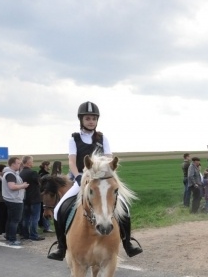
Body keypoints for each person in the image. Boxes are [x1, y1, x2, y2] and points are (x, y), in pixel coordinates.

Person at [48, 101, 142, 260]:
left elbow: (109, 158)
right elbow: (72, 161)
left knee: (124, 208)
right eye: (87, 119)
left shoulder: (102, 138)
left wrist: (107, 172)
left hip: (101, 180)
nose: (91, 121)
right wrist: (78, 176)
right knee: (58, 210)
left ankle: (127, 243)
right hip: (81, 180)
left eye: (93, 118)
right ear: (81, 120)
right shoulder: (74, 139)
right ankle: (61, 247)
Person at [2, 156, 28, 246]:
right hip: (14, 200)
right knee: (15, 220)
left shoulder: (11, 173)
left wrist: (21, 185)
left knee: (10, 219)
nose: (20, 165)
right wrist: (23, 186)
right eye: (18, 163)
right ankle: (12, 239)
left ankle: (9, 237)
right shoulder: (10, 174)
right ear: (13, 164)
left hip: (11, 199)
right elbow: (12, 187)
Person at [19, 155, 44, 241]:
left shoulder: (21, 173)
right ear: (28, 162)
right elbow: (39, 183)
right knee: (35, 218)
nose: (32, 163)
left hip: (25, 198)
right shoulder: (33, 173)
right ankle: (34, 235)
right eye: (32, 161)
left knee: (26, 218)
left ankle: (26, 234)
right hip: (35, 198)